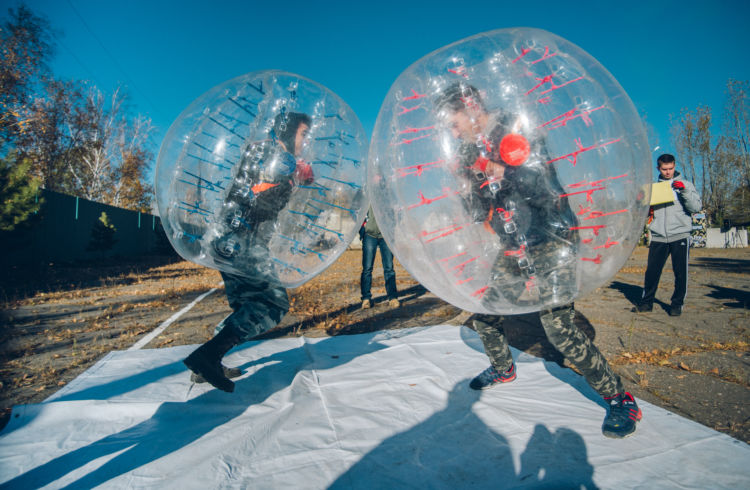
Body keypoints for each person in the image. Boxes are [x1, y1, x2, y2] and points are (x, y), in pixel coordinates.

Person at [437, 81, 641, 438]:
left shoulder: (513, 127)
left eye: (453, 122)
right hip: (516, 244)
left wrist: (500, 168)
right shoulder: (469, 153)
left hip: (553, 234)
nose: (452, 131)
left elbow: (541, 181)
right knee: (485, 316)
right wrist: (467, 186)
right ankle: (503, 369)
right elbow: (479, 211)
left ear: (470, 108)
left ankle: (620, 398)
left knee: (559, 329)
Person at [184, 112, 312, 393]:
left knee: (246, 305)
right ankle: (207, 356)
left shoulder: (270, 155)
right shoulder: (270, 154)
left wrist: (295, 178)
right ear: (289, 132)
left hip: (229, 239)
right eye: (303, 134)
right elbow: (256, 198)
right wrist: (291, 178)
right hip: (241, 240)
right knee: (273, 304)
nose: (306, 140)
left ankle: (208, 363)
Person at [634, 154, 702, 316]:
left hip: (680, 235)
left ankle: (677, 304)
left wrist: (683, 191)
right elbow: (642, 212)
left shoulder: (685, 184)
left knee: (680, 273)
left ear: (674, 166)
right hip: (658, 236)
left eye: (670, 168)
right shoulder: (653, 188)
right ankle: (646, 303)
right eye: (664, 169)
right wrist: (640, 201)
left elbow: (695, 208)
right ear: (658, 168)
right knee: (652, 272)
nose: (667, 172)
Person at [359, 206, 399, 308]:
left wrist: (391, 227)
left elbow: (397, 211)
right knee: (367, 268)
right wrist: (363, 227)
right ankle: (366, 298)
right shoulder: (366, 193)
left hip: (385, 235)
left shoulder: (387, 193)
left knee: (389, 268)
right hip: (369, 234)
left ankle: (393, 297)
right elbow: (355, 210)